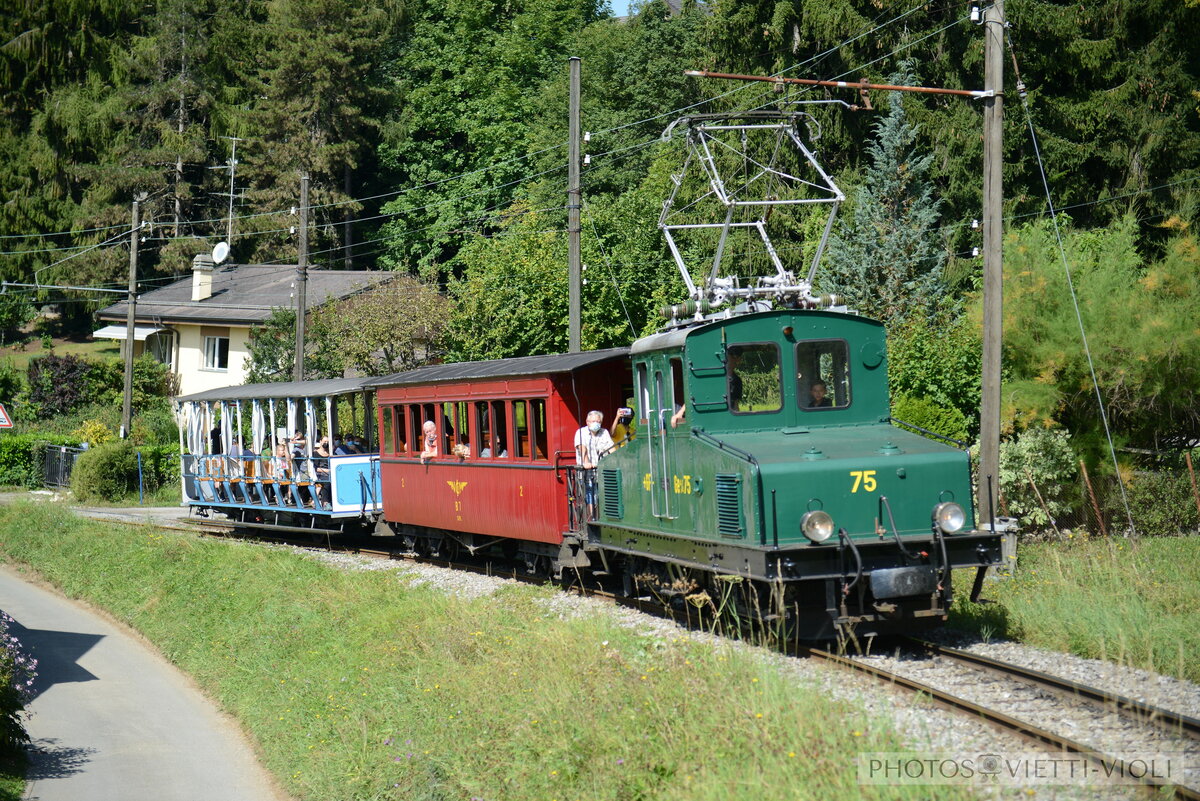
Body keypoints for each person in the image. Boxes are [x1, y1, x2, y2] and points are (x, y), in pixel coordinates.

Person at [574, 410, 614, 520]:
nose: (596, 423)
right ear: (587, 422)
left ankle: (602, 517)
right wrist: (586, 461)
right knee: (589, 493)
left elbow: (611, 448)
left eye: (598, 421)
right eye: (593, 421)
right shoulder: (580, 433)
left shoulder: (604, 432)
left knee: (601, 494)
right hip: (586, 471)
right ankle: (591, 518)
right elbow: (582, 448)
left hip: (600, 471)